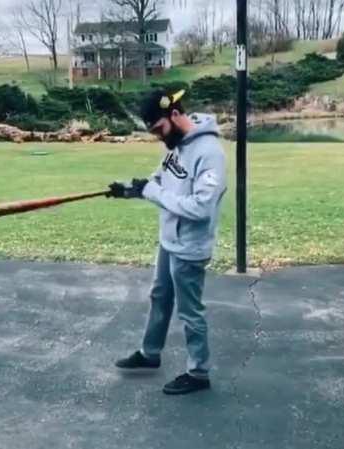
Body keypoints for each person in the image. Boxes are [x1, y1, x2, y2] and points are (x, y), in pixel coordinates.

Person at [107, 89, 227, 395]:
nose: (160, 137)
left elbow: (201, 208)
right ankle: (150, 354)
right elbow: (159, 181)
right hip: (169, 241)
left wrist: (152, 192)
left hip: (190, 248)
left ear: (174, 114)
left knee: (190, 312)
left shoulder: (209, 152)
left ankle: (198, 372)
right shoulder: (177, 145)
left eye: (159, 129)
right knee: (160, 296)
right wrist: (129, 190)